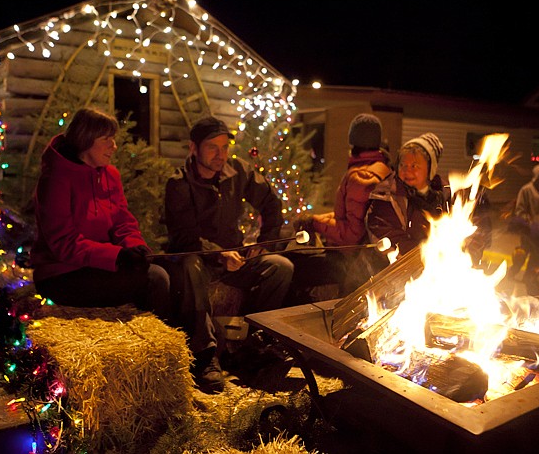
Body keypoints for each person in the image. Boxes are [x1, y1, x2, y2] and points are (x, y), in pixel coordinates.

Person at [163, 115, 294, 393]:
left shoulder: (238, 171)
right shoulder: (179, 183)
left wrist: (266, 242)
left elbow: (272, 202)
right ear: (193, 148)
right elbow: (184, 238)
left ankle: (251, 346)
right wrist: (220, 255)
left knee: (280, 267)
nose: (220, 155)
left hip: (235, 258)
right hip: (199, 258)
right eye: (212, 147)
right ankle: (205, 356)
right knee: (190, 265)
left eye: (225, 147)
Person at [30, 108, 170, 319]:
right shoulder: (56, 179)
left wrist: (134, 247)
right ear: (85, 139)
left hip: (99, 265)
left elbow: (122, 221)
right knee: (154, 280)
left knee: (165, 270)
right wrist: (116, 256)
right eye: (107, 139)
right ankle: (151, 343)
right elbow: (64, 243)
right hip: (62, 273)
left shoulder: (110, 175)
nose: (114, 146)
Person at [292, 113, 392, 296]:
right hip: (363, 256)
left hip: (349, 260)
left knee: (292, 268)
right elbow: (347, 217)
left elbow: (351, 235)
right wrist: (314, 219)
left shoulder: (361, 177)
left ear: (353, 140)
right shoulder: (382, 168)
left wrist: (314, 224)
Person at [366, 133, 449, 257]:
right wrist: (427, 255)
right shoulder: (387, 196)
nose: (407, 171)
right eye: (402, 165)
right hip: (394, 268)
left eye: (414, 166)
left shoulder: (445, 193)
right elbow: (386, 234)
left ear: (430, 169)